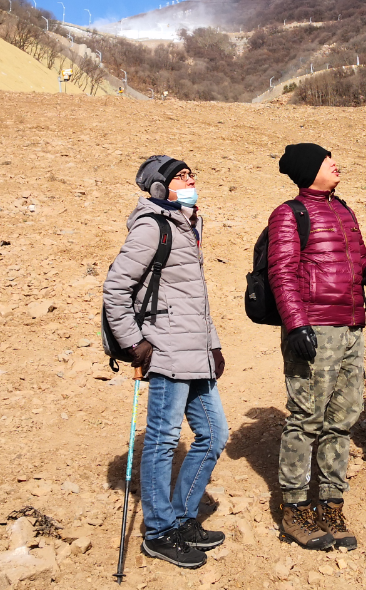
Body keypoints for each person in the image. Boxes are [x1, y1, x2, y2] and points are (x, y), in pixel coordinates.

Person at [103, 155, 228, 569]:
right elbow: (115, 289)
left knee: (214, 434)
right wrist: (135, 343)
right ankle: (158, 532)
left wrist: (213, 344)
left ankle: (182, 516)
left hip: (195, 353)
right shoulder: (152, 226)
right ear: (159, 187)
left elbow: (196, 298)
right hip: (165, 351)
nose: (190, 181)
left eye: (191, 174)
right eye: (179, 177)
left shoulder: (189, 225)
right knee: (161, 440)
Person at [267, 143, 366, 552]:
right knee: (306, 418)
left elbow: (359, 259)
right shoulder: (289, 214)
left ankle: (331, 503)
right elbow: (281, 272)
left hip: (351, 327)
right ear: (308, 169)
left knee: (343, 418)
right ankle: (295, 509)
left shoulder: (344, 209)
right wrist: (296, 325)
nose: (335, 163)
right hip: (315, 330)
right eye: (325, 159)